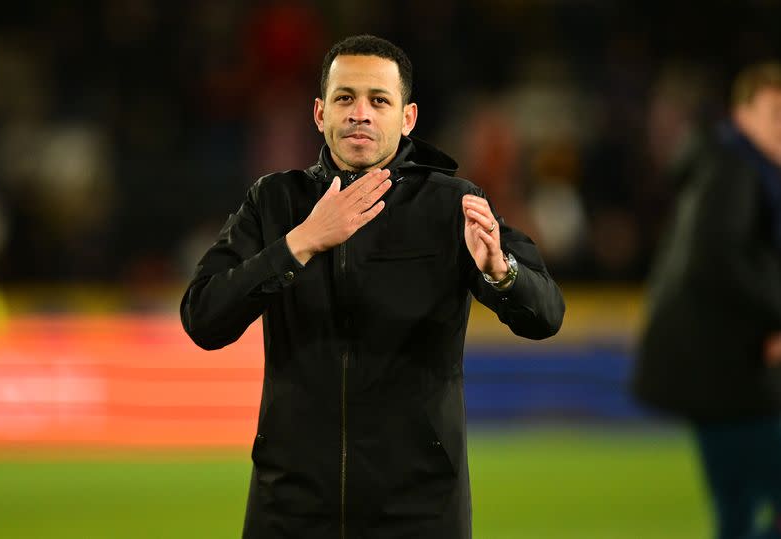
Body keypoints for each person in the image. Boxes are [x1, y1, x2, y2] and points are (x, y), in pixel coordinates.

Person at [181, 34, 564, 539]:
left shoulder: (452, 204)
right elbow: (204, 318)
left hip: (419, 509)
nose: (360, 113)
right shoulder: (275, 202)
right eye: (345, 98)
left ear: (407, 118)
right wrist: (300, 244)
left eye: (379, 100)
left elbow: (546, 315)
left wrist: (500, 271)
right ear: (320, 113)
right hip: (291, 506)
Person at [632, 61, 781, 539]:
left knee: (735, 510)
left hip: (718, 373)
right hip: (729, 378)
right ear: (742, 114)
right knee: (740, 507)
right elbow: (722, 261)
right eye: (775, 112)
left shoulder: (724, 162)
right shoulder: (734, 168)